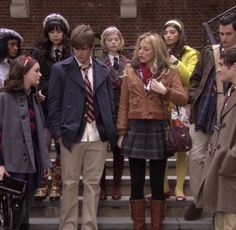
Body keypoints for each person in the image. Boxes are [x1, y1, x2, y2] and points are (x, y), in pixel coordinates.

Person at [48, 24, 117, 230]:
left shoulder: (103, 70)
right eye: (75, 48)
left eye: (83, 48)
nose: (79, 52)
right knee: (69, 184)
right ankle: (67, 226)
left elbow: (109, 103)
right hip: (71, 135)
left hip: (97, 136)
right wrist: (58, 134)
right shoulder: (60, 69)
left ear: (91, 47)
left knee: (92, 185)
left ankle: (89, 226)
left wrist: (109, 128)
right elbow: (53, 104)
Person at [117, 32, 188, 230]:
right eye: (139, 48)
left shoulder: (169, 71)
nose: (140, 52)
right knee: (136, 182)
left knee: (157, 182)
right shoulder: (130, 70)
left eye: (145, 49)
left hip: (158, 127)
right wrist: (121, 133)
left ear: (156, 51)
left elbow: (183, 99)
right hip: (135, 127)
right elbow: (123, 104)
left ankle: (157, 226)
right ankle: (138, 226)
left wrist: (165, 91)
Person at [185, 12, 236, 220]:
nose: (223, 38)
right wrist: (192, 100)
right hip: (205, 112)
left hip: (228, 115)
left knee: (222, 161)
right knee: (197, 157)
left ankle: (217, 200)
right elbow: (195, 79)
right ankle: (200, 198)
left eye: (229, 33)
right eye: (221, 33)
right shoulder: (210, 52)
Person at [0, 55, 52, 230]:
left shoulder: (34, 98)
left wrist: (44, 162)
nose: (40, 74)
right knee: (12, 210)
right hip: (12, 164)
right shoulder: (4, 98)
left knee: (25, 209)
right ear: (24, 73)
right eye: (36, 71)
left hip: (33, 160)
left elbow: (38, 132)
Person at [32, 13, 71, 202]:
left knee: (62, 147)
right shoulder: (38, 53)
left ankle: (56, 183)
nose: (55, 35)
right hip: (44, 106)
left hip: (64, 107)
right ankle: (41, 183)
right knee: (43, 145)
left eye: (59, 31)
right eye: (52, 31)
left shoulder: (70, 53)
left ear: (64, 33)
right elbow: (33, 76)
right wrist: (37, 91)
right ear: (47, 33)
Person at [196, 46, 236, 230]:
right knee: (221, 222)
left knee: (229, 222)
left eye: (221, 65)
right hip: (223, 174)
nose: (218, 69)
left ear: (234, 67)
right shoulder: (230, 91)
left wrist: (228, 161)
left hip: (231, 174)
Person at [162, 19, 199, 201]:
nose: (168, 35)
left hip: (180, 106)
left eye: (172, 32)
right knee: (161, 147)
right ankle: (163, 187)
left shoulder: (190, 53)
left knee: (181, 145)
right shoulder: (158, 51)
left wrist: (175, 61)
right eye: (166, 32)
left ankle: (179, 188)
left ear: (180, 34)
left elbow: (191, 78)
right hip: (161, 105)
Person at [98, 26, 130, 200]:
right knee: (102, 151)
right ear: (104, 43)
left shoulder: (128, 62)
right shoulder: (99, 63)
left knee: (119, 150)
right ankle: (102, 187)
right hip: (105, 111)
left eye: (116, 39)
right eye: (109, 40)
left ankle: (116, 186)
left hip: (122, 111)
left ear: (121, 41)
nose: (113, 42)